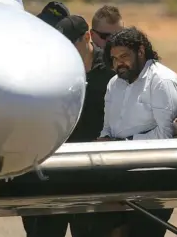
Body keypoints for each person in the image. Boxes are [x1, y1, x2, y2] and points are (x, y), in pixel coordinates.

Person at [21, 15, 116, 237]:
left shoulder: (110, 71)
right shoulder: (53, 70)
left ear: (86, 37)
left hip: (94, 169)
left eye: (71, 43)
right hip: (56, 166)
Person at [97, 26, 177, 237]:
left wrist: (124, 143)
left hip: (153, 176)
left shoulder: (161, 81)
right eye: (115, 58)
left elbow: (166, 136)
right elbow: (108, 127)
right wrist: (105, 140)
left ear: (141, 51)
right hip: (116, 174)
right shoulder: (114, 84)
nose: (119, 63)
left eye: (124, 56)